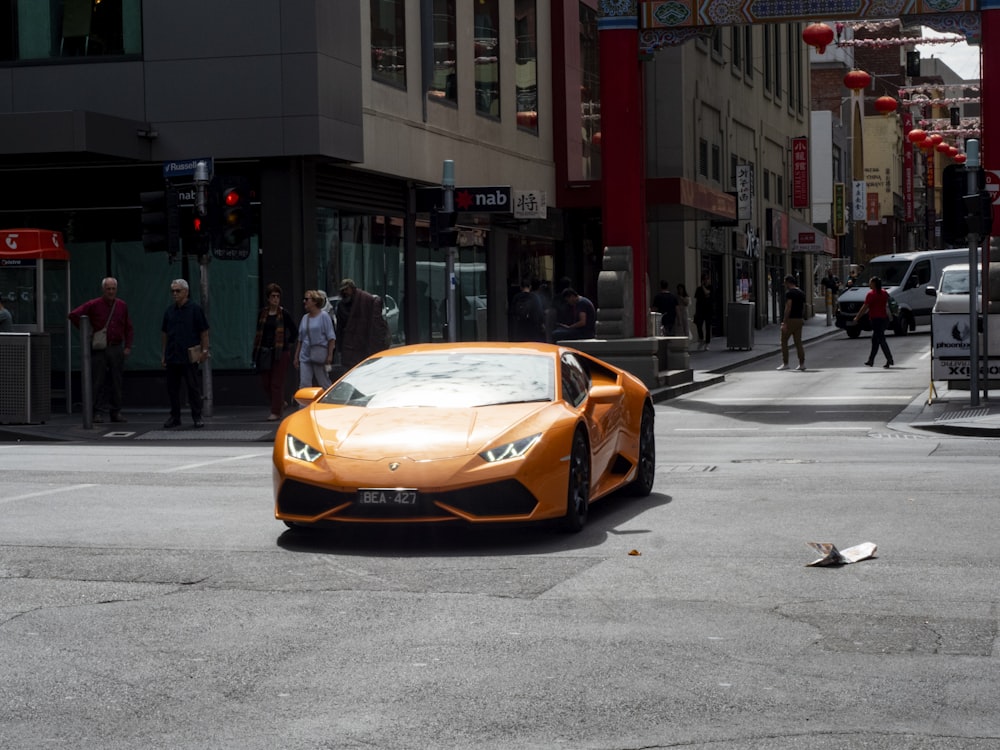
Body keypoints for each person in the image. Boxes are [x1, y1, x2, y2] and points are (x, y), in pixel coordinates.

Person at [68, 277, 135, 423]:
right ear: (103, 290)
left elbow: (128, 327)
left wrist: (128, 346)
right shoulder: (94, 304)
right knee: (98, 381)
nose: (111, 291)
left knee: (116, 381)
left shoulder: (122, 305)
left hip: (116, 346)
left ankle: (115, 411)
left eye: (113, 289)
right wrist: (87, 331)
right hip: (100, 347)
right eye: (108, 289)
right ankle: (96, 412)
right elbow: (73, 315)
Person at [161, 279, 210, 428]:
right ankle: (175, 416)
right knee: (172, 389)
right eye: (173, 291)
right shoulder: (169, 311)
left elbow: (204, 331)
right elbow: (164, 333)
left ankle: (197, 415)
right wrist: (163, 354)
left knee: (193, 387)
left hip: (189, 356)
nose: (175, 294)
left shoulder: (195, 309)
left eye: (178, 291)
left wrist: (204, 350)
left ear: (186, 292)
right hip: (173, 355)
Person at [252, 283, 298, 421]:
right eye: (273, 296)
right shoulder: (263, 313)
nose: (276, 299)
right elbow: (259, 332)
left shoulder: (284, 314)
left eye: (278, 296)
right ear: (268, 298)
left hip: (280, 352)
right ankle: (280, 402)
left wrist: (287, 344)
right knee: (265, 382)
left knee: (276, 383)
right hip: (265, 351)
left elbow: (294, 331)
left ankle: (275, 411)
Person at [335, 279, 389, 370]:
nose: (345, 292)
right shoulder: (341, 306)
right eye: (343, 290)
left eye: (346, 289)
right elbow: (340, 327)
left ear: (352, 289)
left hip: (363, 341)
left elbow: (374, 321)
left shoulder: (365, 299)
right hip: (349, 344)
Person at [295, 289, 337, 389]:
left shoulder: (324, 316)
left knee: (323, 381)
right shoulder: (305, 318)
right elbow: (300, 339)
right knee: (304, 383)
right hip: (305, 354)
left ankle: (329, 402)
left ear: (314, 301)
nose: (304, 301)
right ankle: (304, 404)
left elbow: (331, 337)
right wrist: (296, 356)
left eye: (307, 299)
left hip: (319, 354)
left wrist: (330, 355)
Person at [854, 276, 894, 368]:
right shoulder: (884, 293)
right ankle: (871, 360)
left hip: (876, 320)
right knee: (875, 340)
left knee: (881, 340)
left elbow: (864, 307)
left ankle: (889, 359)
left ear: (874, 284)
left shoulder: (871, 294)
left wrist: (857, 317)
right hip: (884, 319)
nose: (869, 284)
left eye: (870, 282)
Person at [777, 275, 807, 371]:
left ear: (788, 283)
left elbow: (788, 307)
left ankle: (785, 363)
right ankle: (802, 364)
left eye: (785, 283)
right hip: (799, 319)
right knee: (798, 342)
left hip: (791, 319)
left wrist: (784, 322)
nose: (784, 284)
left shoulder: (789, 293)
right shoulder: (801, 293)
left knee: (784, 341)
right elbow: (804, 307)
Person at [693, 274, 713, 350]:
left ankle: (707, 343)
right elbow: (697, 301)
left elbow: (707, 293)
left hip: (708, 310)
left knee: (708, 327)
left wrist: (703, 287)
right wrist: (696, 311)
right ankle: (701, 339)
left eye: (707, 279)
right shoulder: (698, 289)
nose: (706, 281)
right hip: (700, 310)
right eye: (704, 279)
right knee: (699, 325)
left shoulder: (711, 288)